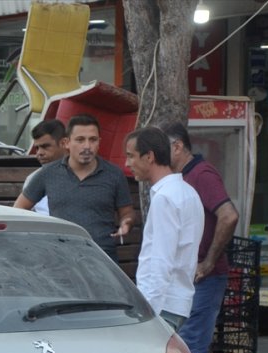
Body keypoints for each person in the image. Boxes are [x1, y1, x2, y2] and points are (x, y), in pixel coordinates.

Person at [163, 121, 240, 353]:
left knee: (192, 343)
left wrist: (208, 262)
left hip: (207, 276)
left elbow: (229, 215)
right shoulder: (181, 178)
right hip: (189, 276)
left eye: (161, 148)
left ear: (177, 147)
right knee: (187, 342)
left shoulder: (202, 174)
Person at [15, 114, 135, 261]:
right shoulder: (48, 173)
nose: (87, 146)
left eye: (93, 140)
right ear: (66, 143)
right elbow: (19, 208)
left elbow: (127, 213)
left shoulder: (114, 174)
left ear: (99, 142)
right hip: (60, 259)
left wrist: (126, 223)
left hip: (102, 260)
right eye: (80, 140)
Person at [124, 126, 204, 331]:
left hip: (162, 305)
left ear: (149, 156)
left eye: (131, 156)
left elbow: (161, 260)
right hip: (175, 301)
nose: (127, 163)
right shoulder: (187, 192)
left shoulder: (166, 197)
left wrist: (148, 310)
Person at [23, 119, 69, 215]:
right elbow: (22, 214)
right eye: (37, 148)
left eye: (45, 146)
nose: (39, 153)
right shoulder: (33, 178)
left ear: (64, 143)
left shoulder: (81, 174)